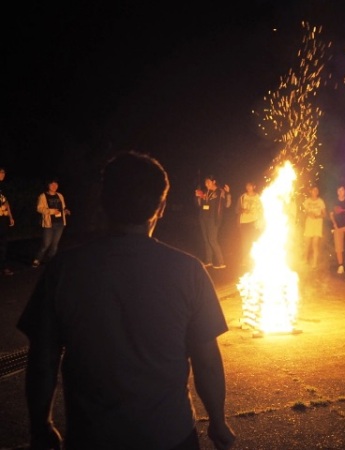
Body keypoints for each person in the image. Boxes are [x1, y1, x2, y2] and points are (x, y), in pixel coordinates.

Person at [17, 151, 236, 450]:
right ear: (161, 207)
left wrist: (41, 425)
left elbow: (43, 358)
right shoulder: (188, 270)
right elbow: (207, 359)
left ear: (103, 202)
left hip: (92, 438)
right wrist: (218, 421)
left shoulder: (64, 270)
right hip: (169, 435)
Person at [32, 177, 70, 268]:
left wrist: (65, 211)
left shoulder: (60, 195)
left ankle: (51, 261)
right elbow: (39, 208)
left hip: (60, 222)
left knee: (55, 245)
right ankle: (37, 259)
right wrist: (51, 211)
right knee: (46, 244)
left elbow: (63, 207)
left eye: (56, 184)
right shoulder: (43, 196)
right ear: (48, 185)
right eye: (52, 184)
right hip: (49, 223)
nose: (54, 186)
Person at [196, 174, 232, 269]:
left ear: (214, 182)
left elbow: (227, 205)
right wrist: (198, 197)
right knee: (206, 240)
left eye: (208, 182)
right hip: (203, 218)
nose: (206, 184)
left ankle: (221, 262)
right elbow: (199, 204)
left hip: (213, 219)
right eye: (205, 182)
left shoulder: (220, 192)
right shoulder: (204, 192)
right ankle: (209, 261)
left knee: (212, 239)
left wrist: (228, 193)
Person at [236, 181, 263, 268]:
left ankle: (253, 260)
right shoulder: (242, 197)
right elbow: (236, 209)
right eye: (247, 186)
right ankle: (245, 260)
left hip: (254, 222)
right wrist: (243, 210)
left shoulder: (258, 197)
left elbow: (262, 210)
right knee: (245, 242)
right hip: (244, 222)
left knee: (253, 241)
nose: (248, 187)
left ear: (254, 186)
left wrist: (261, 222)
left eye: (250, 186)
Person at [302, 185, 326, 269]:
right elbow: (304, 212)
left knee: (315, 244)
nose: (315, 192)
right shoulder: (307, 201)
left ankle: (314, 263)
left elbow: (324, 214)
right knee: (307, 243)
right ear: (311, 191)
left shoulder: (321, 201)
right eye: (314, 190)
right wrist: (309, 214)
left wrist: (318, 216)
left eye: (317, 190)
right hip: (309, 224)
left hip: (317, 224)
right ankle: (305, 260)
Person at [0, 166, 16, 276]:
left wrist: (10, 216)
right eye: (0, 172)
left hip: (3, 219)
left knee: (3, 244)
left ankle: (3, 266)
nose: (2, 174)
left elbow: (6, 203)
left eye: (3, 172)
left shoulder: (3, 187)